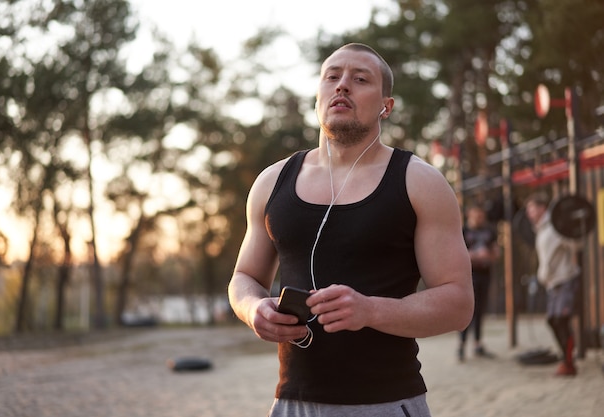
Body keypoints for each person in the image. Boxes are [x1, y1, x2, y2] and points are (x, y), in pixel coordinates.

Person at [228, 43, 474, 416]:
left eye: (360, 79)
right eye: (332, 77)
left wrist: (370, 310)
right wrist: (253, 309)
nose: (343, 86)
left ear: (385, 106)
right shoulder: (271, 182)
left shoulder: (420, 182)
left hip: (387, 403)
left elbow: (458, 304)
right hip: (291, 404)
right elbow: (243, 277)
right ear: (318, 97)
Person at [525, 192, 581, 376]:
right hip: (552, 284)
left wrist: (572, 232)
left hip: (565, 279)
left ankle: (569, 362)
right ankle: (565, 358)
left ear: (542, 208)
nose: (529, 213)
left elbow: (575, 244)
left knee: (561, 320)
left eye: (532, 208)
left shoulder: (556, 225)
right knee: (552, 320)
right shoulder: (540, 229)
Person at [458, 204, 500, 361]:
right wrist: (475, 255)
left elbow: (496, 253)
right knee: (466, 312)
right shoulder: (462, 231)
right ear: (470, 213)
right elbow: (457, 254)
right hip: (468, 276)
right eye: (477, 214)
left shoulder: (489, 231)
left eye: (481, 214)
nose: (479, 217)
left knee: (480, 310)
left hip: (485, 275)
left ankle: (477, 345)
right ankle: (461, 346)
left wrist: (489, 255)